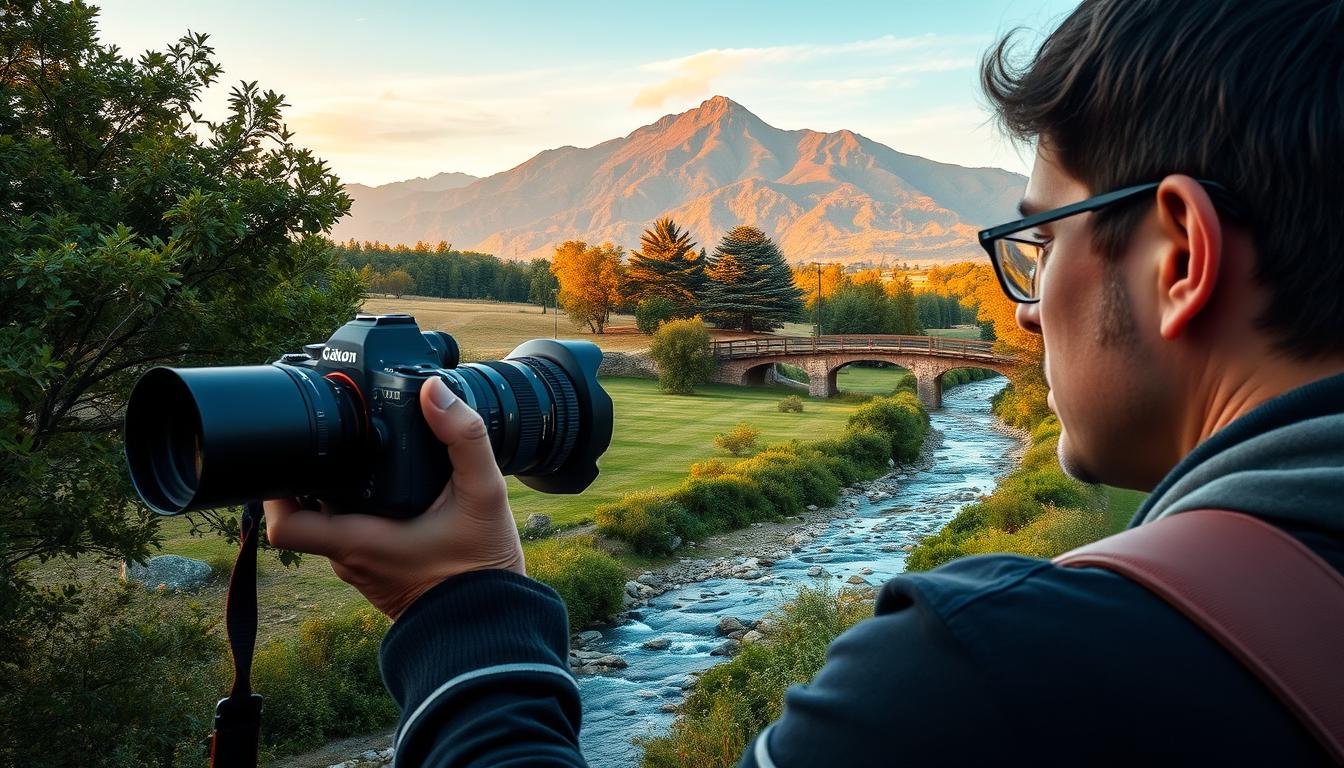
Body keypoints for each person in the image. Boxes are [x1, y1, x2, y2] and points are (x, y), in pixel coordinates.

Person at [266, 0, 1344, 764]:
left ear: (1180, 258)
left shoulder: (987, 679)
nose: (1024, 306)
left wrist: (463, 618)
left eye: (1037, 238)